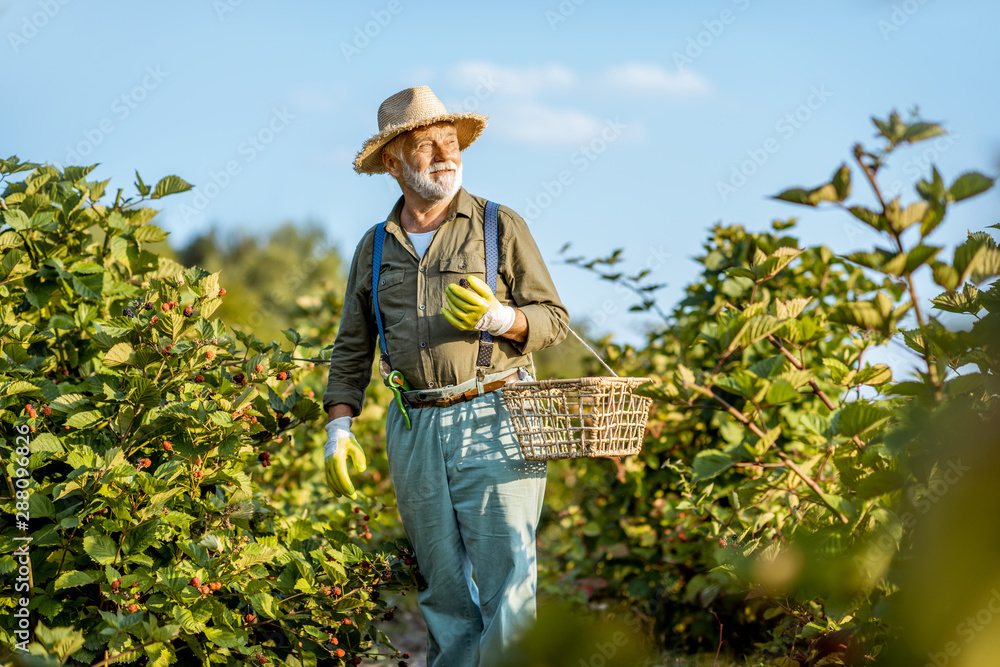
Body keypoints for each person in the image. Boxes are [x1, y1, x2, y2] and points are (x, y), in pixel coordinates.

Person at [321, 86, 569, 665]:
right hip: (416, 425)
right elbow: (352, 347)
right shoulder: (376, 247)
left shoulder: (497, 225)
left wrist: (505, 319)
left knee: (509, 575)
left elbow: (553, 319)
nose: (444, 155)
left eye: (451, 143)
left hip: (498, 413)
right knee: (442, 588)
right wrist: (340, 428)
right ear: (393, 161)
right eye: (427, 145)